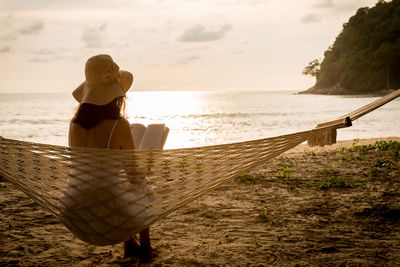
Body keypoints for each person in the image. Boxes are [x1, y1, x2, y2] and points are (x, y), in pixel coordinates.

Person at [68, 54, 153, 259]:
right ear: (116, 94)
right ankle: (145, 247)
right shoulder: (119, 125)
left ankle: (130, 244)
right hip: (108, 213)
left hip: (75, 207)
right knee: (142, 188)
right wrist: (148, 165)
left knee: (111, 186)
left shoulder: (74, 123)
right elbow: (134, 175)